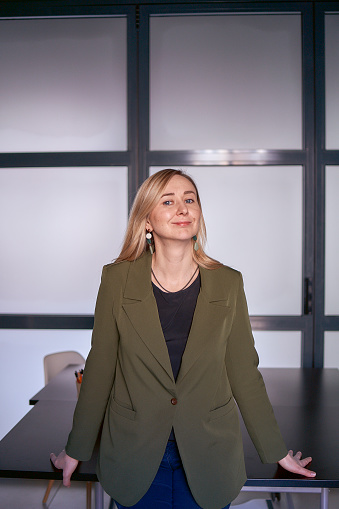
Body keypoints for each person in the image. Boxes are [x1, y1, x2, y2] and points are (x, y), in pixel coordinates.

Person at [51, 169, 316, 509]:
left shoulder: (227, 282)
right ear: (146, 220)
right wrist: (77, 448)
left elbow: (244, 373)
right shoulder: (116, 279)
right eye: (168, 201)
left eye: (190, 199)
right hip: (134, 451)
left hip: (209, 453)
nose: (183, 208)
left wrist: (276, 450)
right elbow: (101, 367)